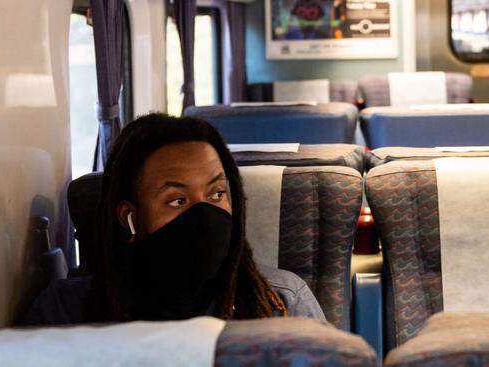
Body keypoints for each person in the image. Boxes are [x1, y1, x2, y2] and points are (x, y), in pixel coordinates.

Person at [25, 113, 325, 325]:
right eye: (178, 201)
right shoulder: (65, 312)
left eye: (217, 194)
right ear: (130, 217)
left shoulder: (282, 303)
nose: (204, 215)